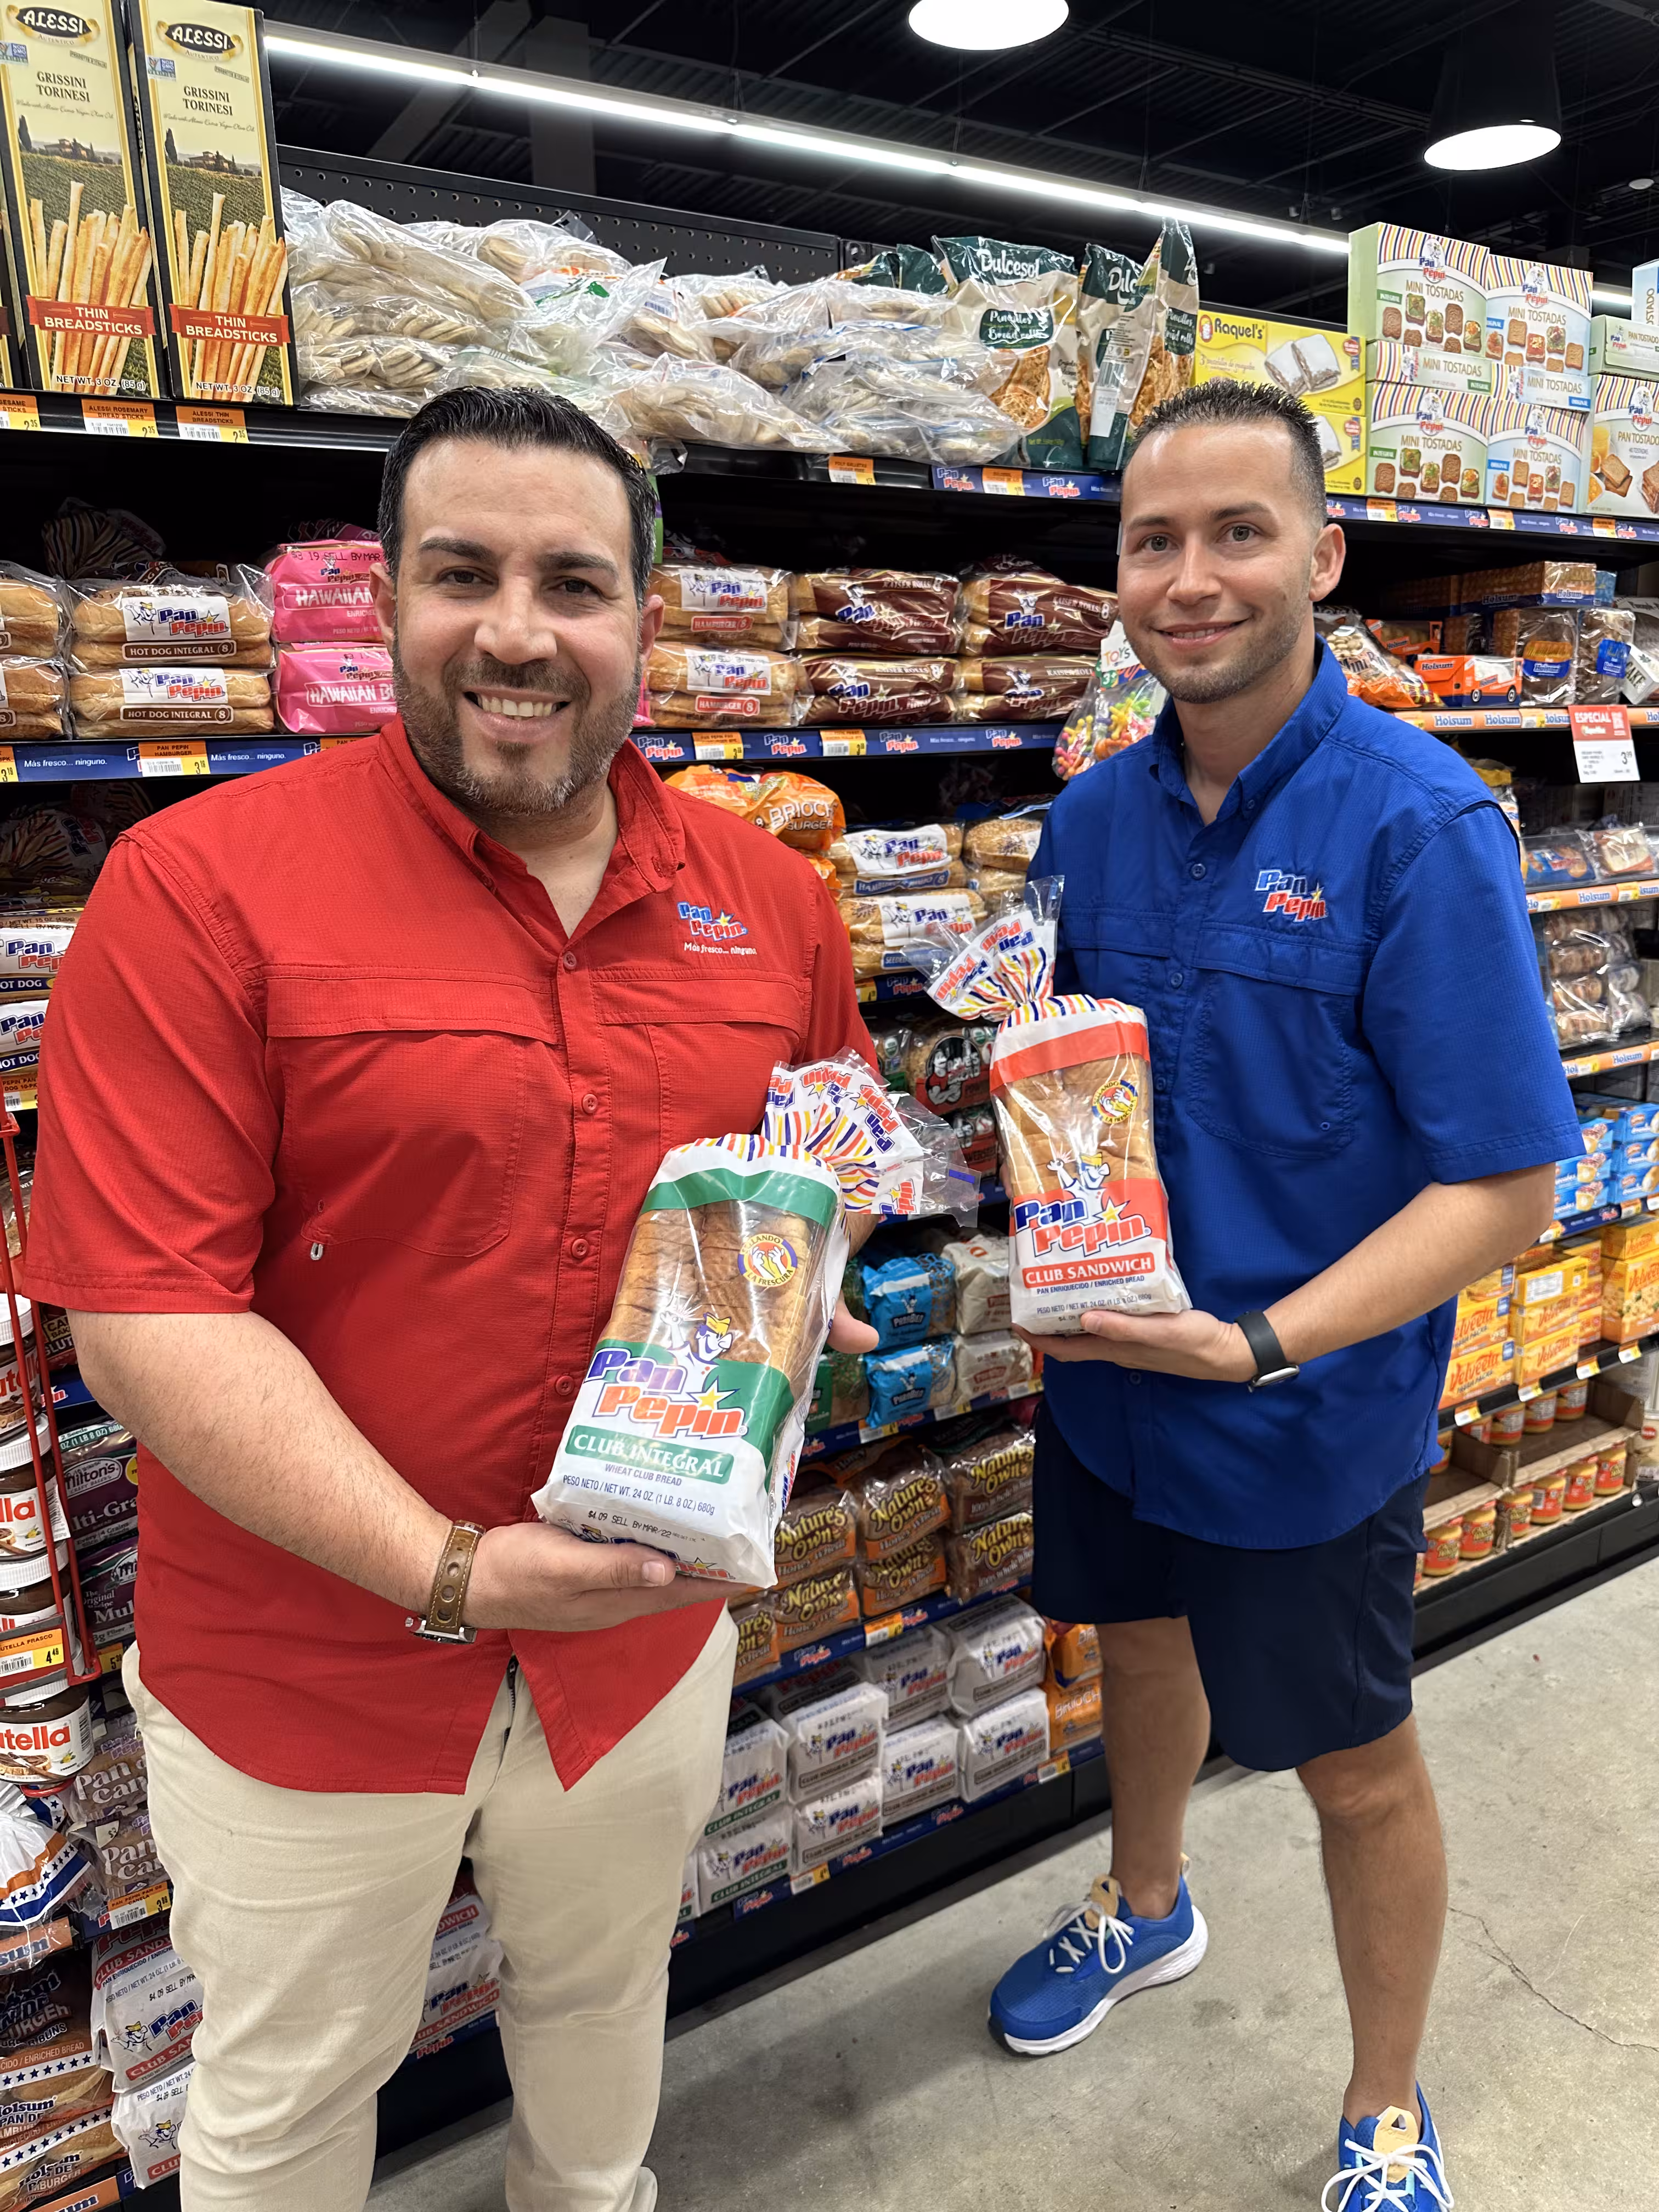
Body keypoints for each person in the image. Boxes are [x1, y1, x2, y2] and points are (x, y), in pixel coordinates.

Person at [28, 388, 877, 2212]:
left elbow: (819, 1171)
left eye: (574, 580)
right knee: (284, 2103)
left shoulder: (770, 907)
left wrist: (805, 1304)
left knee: (600, 2018)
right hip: (308, 1666)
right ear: (382, 599)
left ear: (648, 616)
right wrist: (450, 1569)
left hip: (640, 1649)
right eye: (459, 573)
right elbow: (143, 1317)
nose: (516, 629)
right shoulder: (194, 889)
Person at [985, 379, 1580, 2211]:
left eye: (1239, 534)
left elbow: (1507, 1188)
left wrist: (1257, 1339)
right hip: (1108, 1379)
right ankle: (1147, 1904)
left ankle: (1384, 2106)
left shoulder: (1422, 827)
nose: (1192, 579)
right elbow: (1069, 1084)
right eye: (1155, 541)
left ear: (1320, 558)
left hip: (1299, 1414)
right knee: (1141, 1650)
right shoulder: (1086, 821)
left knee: (1351, 1762)